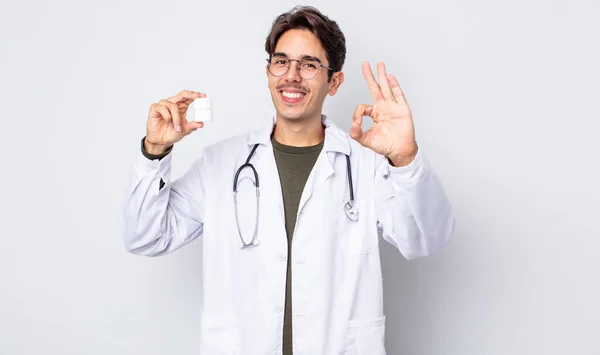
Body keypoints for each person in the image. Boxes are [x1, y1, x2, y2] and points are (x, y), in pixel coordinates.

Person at [122, 5, 454, 355]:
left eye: (309, 65)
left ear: (335, 81)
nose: (291, 76)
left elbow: (425, 240)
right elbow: (144, 237)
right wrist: (154, 151)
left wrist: (405, 158)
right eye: (281, 62)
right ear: (268, 72)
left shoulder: (367, 165)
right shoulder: (221, 165)